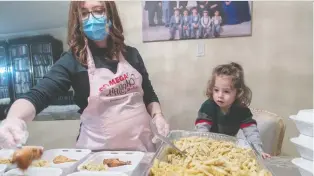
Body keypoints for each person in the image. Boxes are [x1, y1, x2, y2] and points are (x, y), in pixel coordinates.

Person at [0, 1, 169, 152]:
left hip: (143, 149)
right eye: (85, 13)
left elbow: (148, 94)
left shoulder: (132, 54)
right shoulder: (73, 60)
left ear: (110, 14)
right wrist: (14, 118)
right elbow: (38, 95)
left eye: (98, 10)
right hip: (99, 156)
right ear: (78, 20)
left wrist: (158, 115)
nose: (92, 18)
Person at [195, 62, 271, 159]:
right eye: (216, 90)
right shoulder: (208, 106)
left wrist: (258, 151)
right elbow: (202, 131)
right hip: (207, 146)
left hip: (227, 148)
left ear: (238, 92)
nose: (220, 95)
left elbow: (252, 133)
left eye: (226, 91)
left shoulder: (242, 110)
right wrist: (203, 148)